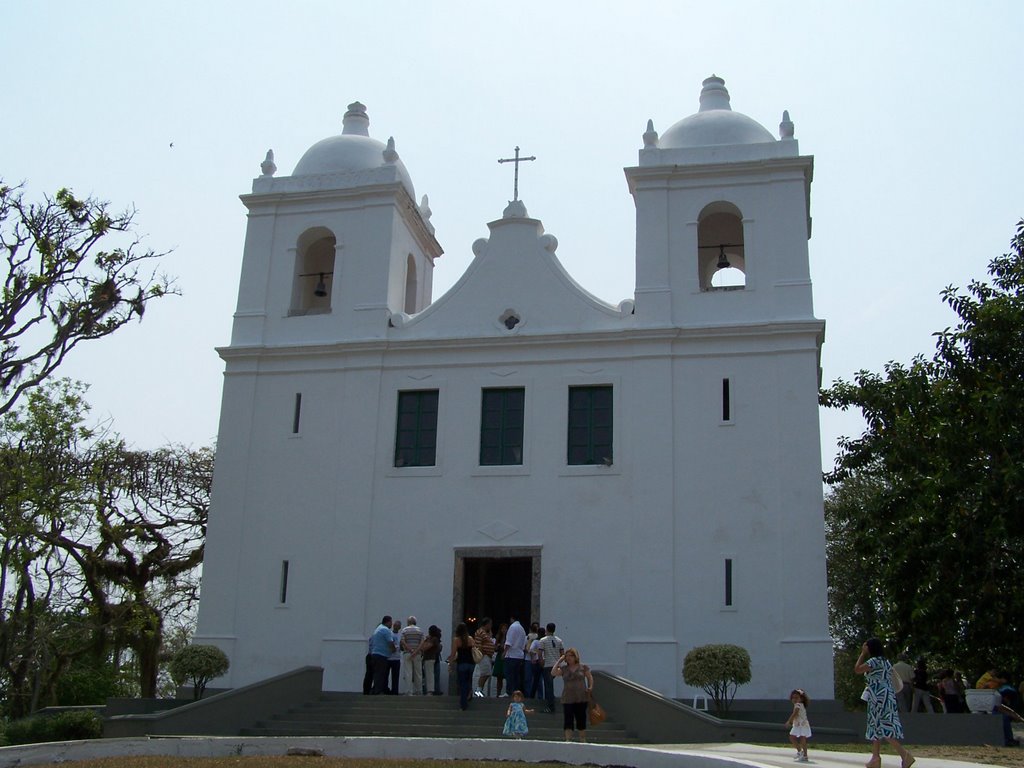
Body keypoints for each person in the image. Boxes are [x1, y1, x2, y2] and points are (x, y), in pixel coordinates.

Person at [855, 638, 915, 768]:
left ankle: (904, 754)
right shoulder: (885, 662)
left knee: (882, 727)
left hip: (878, 697)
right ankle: (875, 758)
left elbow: (857, 669)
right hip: (886, 696)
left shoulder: (873, 661)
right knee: (877, 726)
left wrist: (862, 654)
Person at [552, 647, 594, 743]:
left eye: (571, 656)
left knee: (581, 718)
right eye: (567, 656)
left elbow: (589, 677)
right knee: (568, 718)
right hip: (568, 697)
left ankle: (582, 738)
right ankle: (568, 739)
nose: (569, 658)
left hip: (581, 697)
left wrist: (590, 687)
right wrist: (559, 661)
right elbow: (553, 672)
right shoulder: (564, 669)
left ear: (575, 657)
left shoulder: (583, 667)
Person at [447, 622, 477, 711]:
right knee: (469, 681)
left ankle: (463, 704)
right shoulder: (470, 639)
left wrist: (450, 664)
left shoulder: (456, 640)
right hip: (471, 663)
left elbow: (453, 654)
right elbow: (474, 649)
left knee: (462, 684)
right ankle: (469, 694)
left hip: (462, 663)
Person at [537, 622, 564, 713]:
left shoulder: (543, 640)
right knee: (550, 683)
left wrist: (541, 662)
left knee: (548, 686)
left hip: (548, 665)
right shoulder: (559, 640)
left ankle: (550, 706)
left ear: (546, 629)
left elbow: (540, 653)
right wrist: (559, 662)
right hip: (556, 665)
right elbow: (562, 654)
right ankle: (550, 702)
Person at [369, 615, 395, 695]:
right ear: (388, 622)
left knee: (377, 673)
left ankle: (375, 689)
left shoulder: (378, 628)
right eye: (391, 622)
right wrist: (393, 649)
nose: (392, 624)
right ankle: (378, 691)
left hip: (375, 653)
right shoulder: (385, 630)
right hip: (381, 655)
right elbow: (390, 642)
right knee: (381, 673)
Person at [399, 615, 425, 695]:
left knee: (408, 672)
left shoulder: (404, 630)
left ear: (408, 622)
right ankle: (419, 690)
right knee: (418, 673)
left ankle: (408, 691)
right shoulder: (420, 630)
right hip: (417, 654)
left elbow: (403, 641)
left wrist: (410, 650)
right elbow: (422, 642)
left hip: (407, 653)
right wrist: (416, 651)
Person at [785, 688, 812, 762]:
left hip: (802, 724)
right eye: (793, 698)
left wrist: (789, 721)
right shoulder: (800, 705)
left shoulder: (798, 705)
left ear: (801, 698)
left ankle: (804, 755)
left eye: (796, 698)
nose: (794, 699)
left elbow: (795, 713)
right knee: (793, 737)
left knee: (801, 739)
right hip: (798, 724)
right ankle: (801, 753)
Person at [504, 616, 528, 697]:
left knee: (509, 675)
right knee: (516, 676)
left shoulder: (513, 627)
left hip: (511, 655)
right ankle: (516, 693)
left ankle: (509, 692)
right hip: (519, 655)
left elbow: (509, 642)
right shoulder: (522, 629)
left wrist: (504, 652)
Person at [473, 618, 496, 697]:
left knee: (487, 673)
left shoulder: (486, 633)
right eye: (490, 624)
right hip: (484, 655)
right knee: (485, 673)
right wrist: (483, 653)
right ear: (487, 624)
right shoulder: (480, 632)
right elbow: (478, 644)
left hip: (488, 656)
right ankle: (478, 690)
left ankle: (480, 689)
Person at [420, 624, 443, 695]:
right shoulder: (436, 639)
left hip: (429, 658)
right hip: (431, 658)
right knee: (431, 675)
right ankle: (432, 690)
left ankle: (430, 691)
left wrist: (426, 640)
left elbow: (424, 647)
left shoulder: (433, 639)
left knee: (429, 675)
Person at [525, 622, 542, 698]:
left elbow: (527, 649)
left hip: (534, 659)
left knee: (535, 679)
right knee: (530, 679)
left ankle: (537, 696)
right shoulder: (529, 637)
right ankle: (530, 696)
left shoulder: (539, 639)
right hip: (531, 659)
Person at [493, 622, 508, 697]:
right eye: (502, 629)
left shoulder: (509, 637)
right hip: (499, 656)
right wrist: (498, 646)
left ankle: (507, 692)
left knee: (507, 675)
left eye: (505, 629)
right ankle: (498, 693)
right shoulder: (498, 637)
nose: (504, 630)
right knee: (499, 677)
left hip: (507, 656)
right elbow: (495, 648)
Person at [388, 619, 402, 694]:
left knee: (395, 676)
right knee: (385, 675)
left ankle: (395, 690)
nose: (396, 627)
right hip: (389, 657)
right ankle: (385, 689)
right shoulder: (389, 634)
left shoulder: (400, 635)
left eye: (398, 626)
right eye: (395, 625)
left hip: (396, 658)